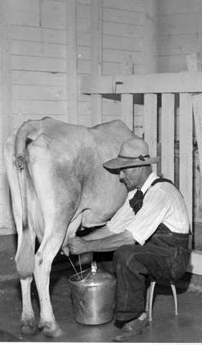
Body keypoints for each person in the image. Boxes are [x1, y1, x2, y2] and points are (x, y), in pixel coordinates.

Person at [67, 137, 191, 340]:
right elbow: (111, 228)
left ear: (141, 166)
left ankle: (135, 319)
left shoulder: (160, 193)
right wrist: (78, 243)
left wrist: (86, 246)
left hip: (173, 259)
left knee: (126, 254)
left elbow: (127, 238)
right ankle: (119, 302)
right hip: (153, 252)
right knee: (108, 254)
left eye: (125, 170)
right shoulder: (137, 195)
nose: (120, 177)